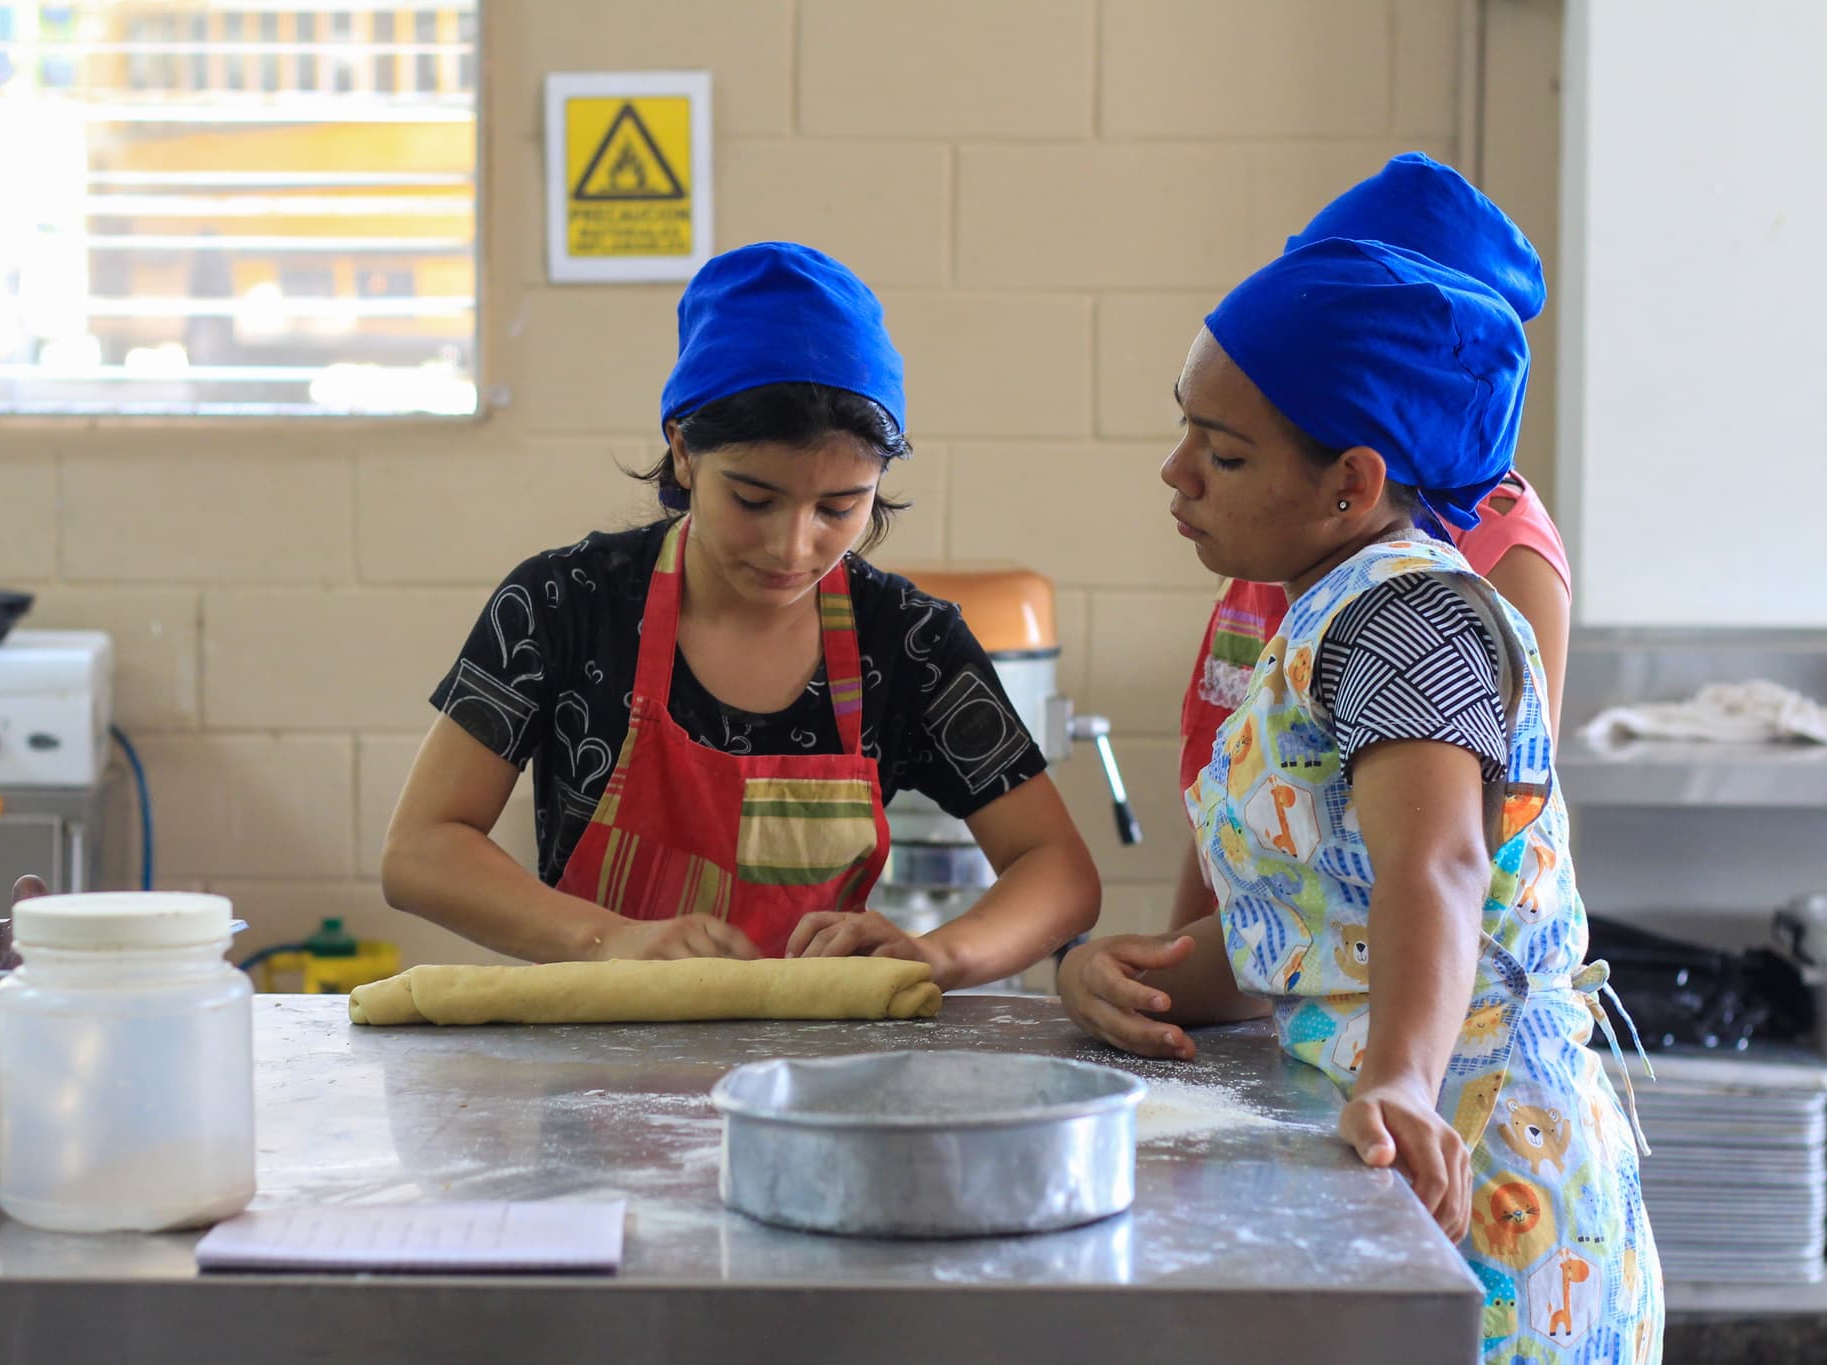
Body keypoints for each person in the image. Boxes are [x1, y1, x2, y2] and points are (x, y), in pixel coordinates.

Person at [1059, 239, 1663, 1362]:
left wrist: (1397, 1080)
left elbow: (1434, 867)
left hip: (1484, 1174)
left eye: (1223, 454)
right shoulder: (1323, 618)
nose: (1174, 473)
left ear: (1351, 483)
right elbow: (1319, 926)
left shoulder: (1406, 623)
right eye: (1185, 428)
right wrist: (1128, 978)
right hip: (1410, 1149)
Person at [380, 242, 1100, 989]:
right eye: (753, 499)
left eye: (839, 506)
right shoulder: (563, 604)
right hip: (597, 1073)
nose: (793, 546)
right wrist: (607, 939)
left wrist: (938, 954)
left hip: (813, 1084)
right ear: (683, 450)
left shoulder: (910, 643)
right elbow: (422, 850)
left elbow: (1058, 869)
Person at [1172, 154, 1573, 937]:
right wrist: (1170, 971)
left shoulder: (1442, 586)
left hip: (1396, 1000)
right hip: (1272, 953)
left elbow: (1456, 852)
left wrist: (1402, 1064)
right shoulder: (1297, 538)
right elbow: (1243, 777)